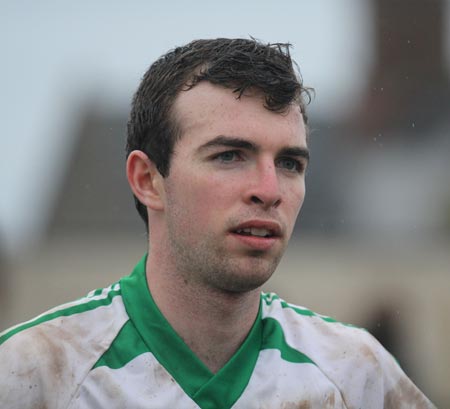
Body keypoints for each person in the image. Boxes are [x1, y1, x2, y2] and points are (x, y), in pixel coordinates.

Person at [0, 38, 435, 409]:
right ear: (147, 180)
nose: (269, 189)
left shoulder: (357, 374)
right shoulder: (33, 372)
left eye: (289, 163)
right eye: (229, 156)